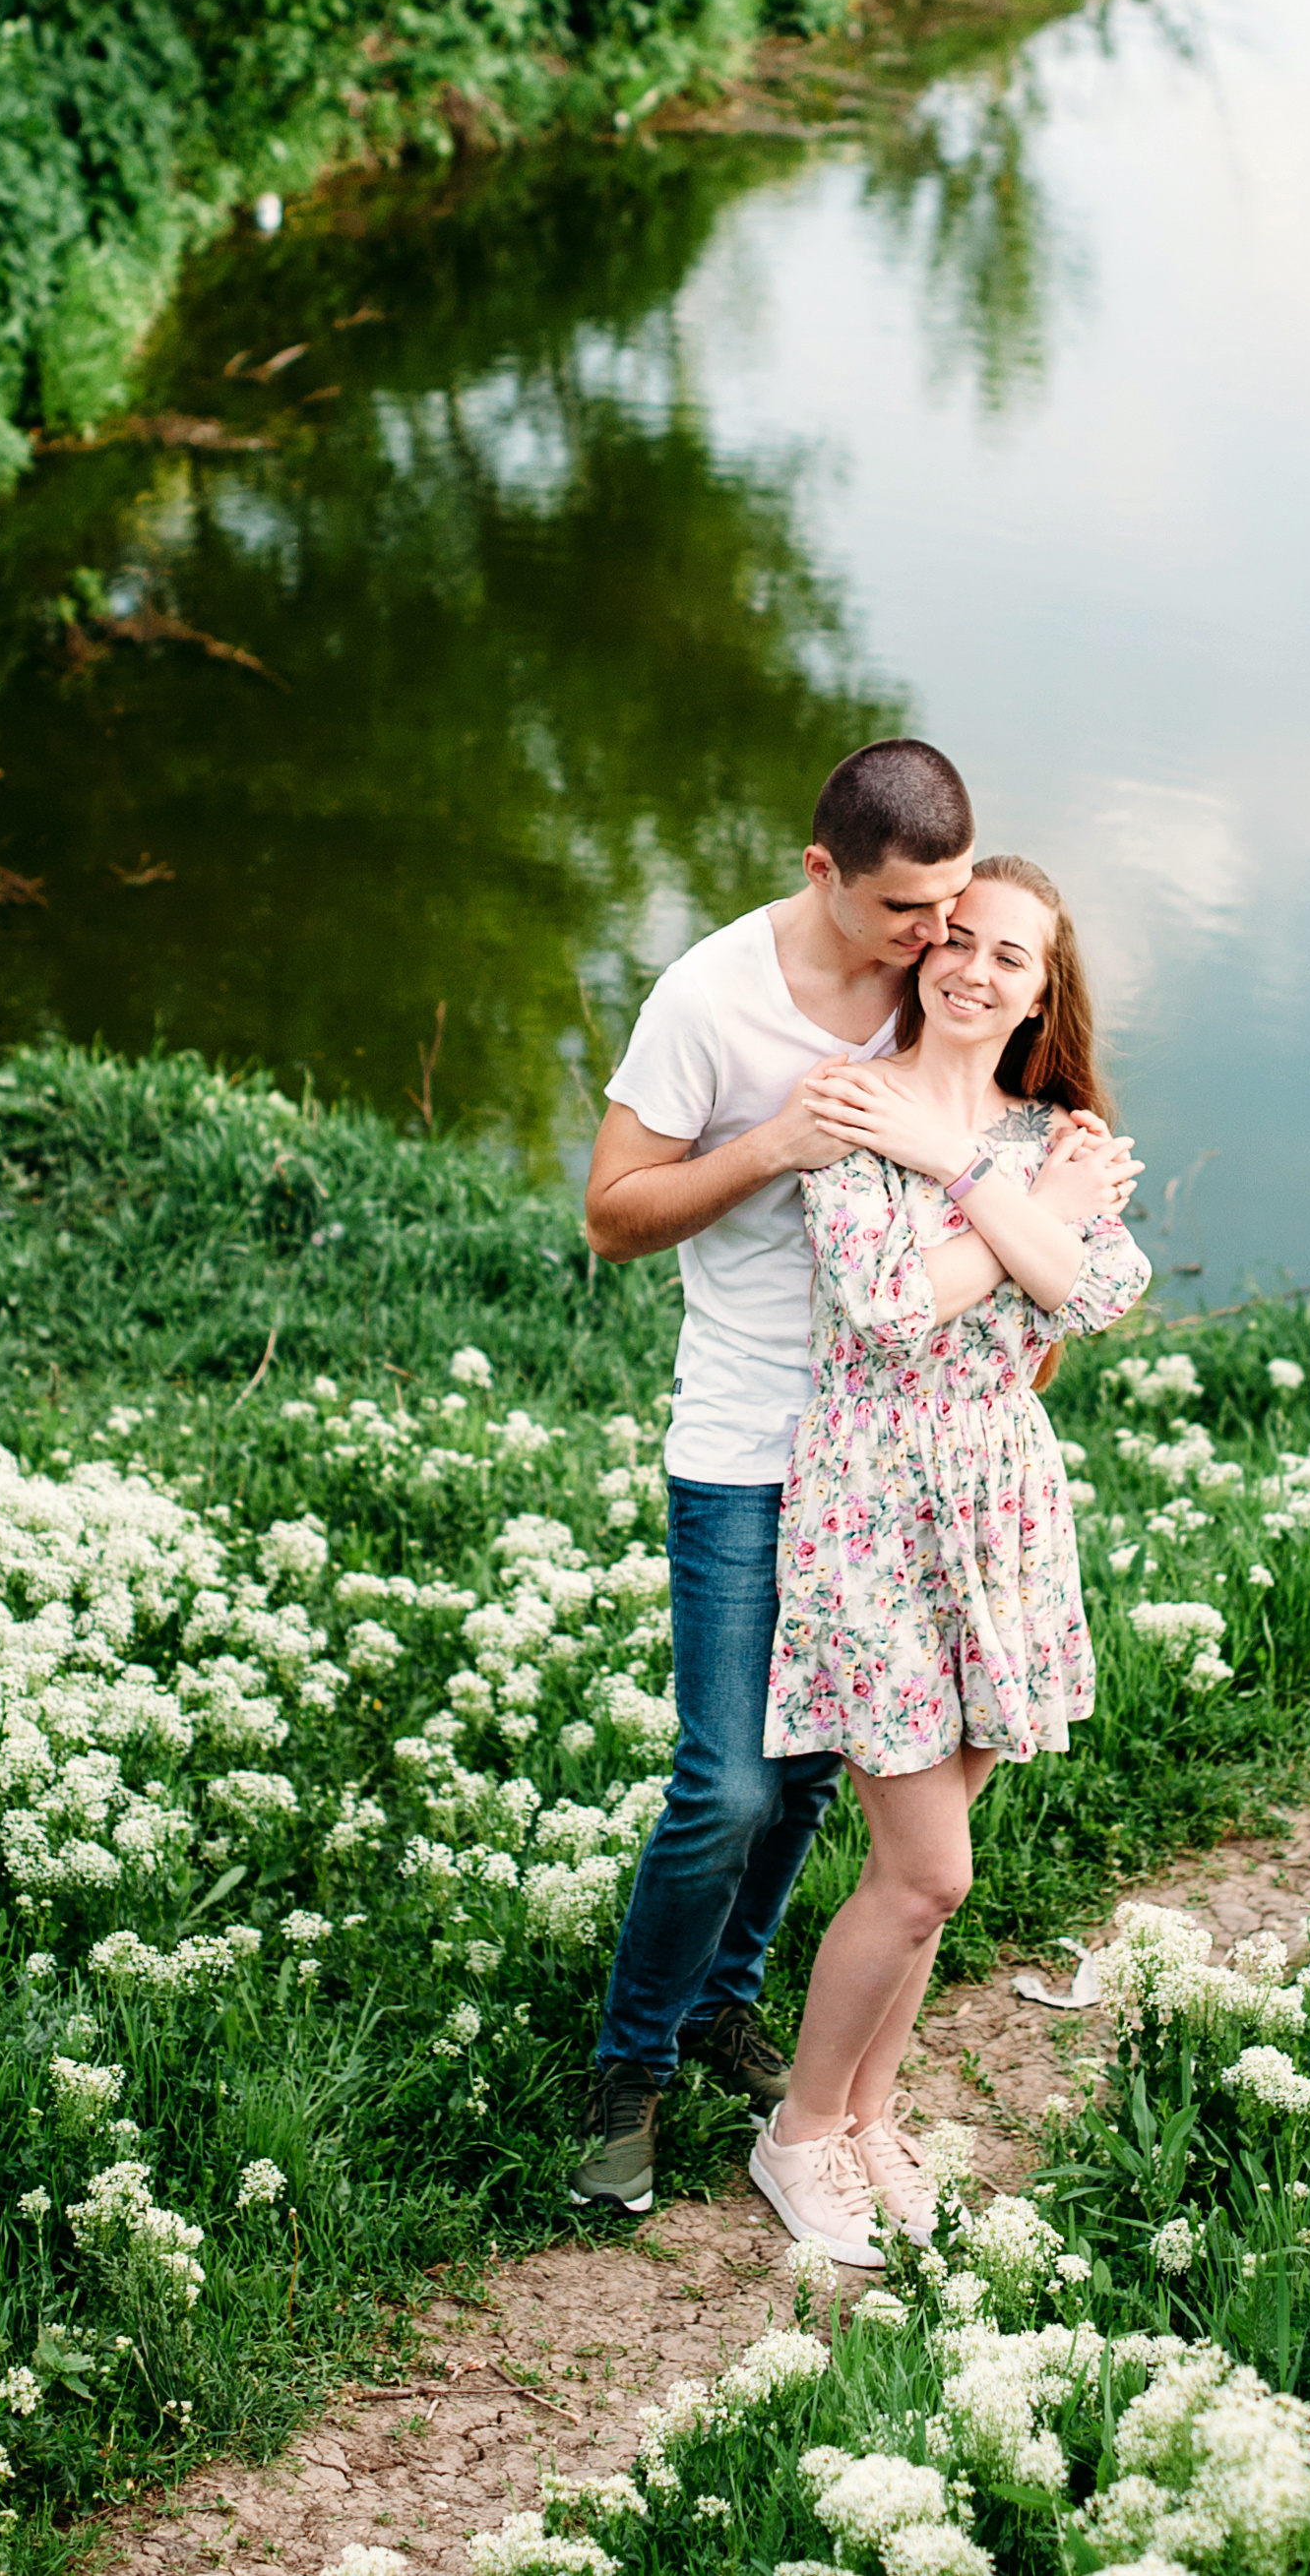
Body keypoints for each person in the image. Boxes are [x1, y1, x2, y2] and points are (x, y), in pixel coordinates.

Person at [568, 738, 983, 2213]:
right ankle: (628, 2068)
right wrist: (774, 1143)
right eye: (902, 914)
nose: (934, 940)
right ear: (822, 870)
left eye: (947, 907)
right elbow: (613, 1216)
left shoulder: (950, 973)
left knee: (810, 1769)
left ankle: (721, 2001)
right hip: (750, 1442)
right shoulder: (711, 999)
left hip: (895, 1457)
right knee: (729, 1778)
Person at [743, 855, 1151, 2266]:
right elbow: (893, 1303)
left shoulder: (1054, 1129)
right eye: (957, 941)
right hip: (874, 1504)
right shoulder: (862, 1107)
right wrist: (1006, 1191)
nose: (974, 970)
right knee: (928, 1873)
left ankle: (868, 2117)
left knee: (929, 1863)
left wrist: (983, 1174)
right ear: (926, 951)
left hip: (999, 1502)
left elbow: (1100, 1289)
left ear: (1046, 986)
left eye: (1011, 957)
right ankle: (797, 2132)